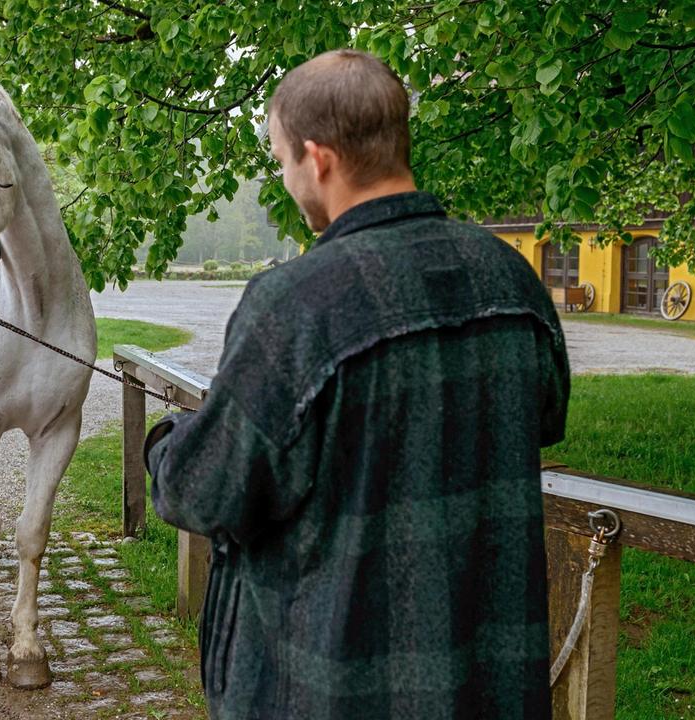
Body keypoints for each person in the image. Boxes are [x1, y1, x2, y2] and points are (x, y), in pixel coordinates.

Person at [143, 50, 569, 719]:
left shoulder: (295, 304)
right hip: (490, 685)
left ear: (318, 160)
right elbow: (539, 420)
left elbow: (206, 493)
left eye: (281, 160)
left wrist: (167, 441)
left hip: (332, 684)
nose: (285, 177)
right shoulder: (512, 282)